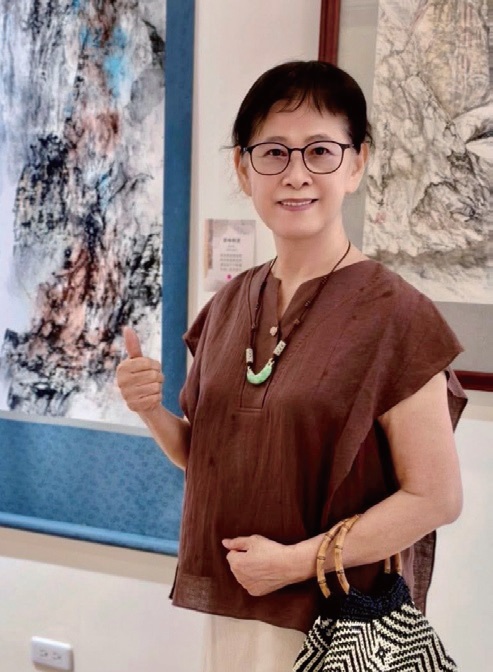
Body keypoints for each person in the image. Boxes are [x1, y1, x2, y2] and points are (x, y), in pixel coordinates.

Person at [116, 60, 467, 671]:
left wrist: (293, 563)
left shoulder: (397, 315)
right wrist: (151, 411)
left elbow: (435, 497)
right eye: (273, 152)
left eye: (321, 152)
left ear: (356, 163)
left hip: (343, 627)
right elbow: (208, 455)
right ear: (243, 168)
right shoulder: (229, 304)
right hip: (238, 609)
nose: (296, 174)